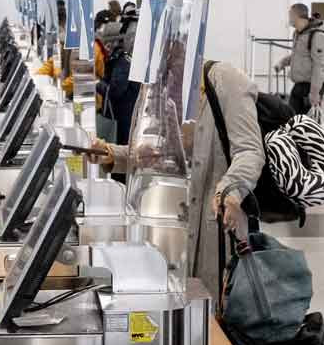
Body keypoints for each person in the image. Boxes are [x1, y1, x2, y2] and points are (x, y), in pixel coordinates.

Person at [92, 61, 264, 298]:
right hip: (184, 224)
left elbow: (250, 151)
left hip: (220, 225)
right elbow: (163, 152)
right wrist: (109, 153)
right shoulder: (171, 90)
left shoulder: (227, 80)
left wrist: (230, 192)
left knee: (219, 310)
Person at [277, 3, 324, 116]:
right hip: (300, 84)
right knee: (292, 118)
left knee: (307, 122)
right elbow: (298, 55)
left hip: (311, 85)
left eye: (290, 15)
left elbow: (319, 66)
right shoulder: (298, 33)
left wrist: (314, 93)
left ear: (297, 16)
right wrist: (283, 63)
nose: (289, 18)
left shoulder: (318, 36)